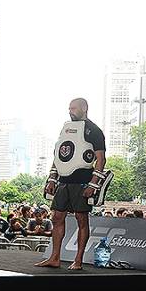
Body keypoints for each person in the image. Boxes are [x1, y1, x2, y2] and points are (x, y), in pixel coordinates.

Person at [36, 98, 106, 271]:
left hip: (82, 181)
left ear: (84, 108)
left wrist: (93, 184)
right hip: (63, 180)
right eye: (69, 108)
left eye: (73, 108)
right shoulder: (66, 129)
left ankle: (78, 260)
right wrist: (52, 179)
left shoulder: (94, 130)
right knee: (57, 217)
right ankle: (55, 257)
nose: (70, 111)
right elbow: (59, 155)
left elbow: (101, 159)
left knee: (82, 219)